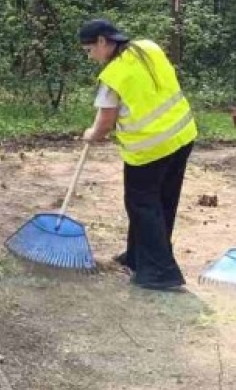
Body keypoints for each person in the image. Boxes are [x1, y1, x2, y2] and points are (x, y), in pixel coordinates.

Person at [78, 19, 197, 291]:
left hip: (149, 149)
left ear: (102, 42)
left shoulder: (113, 76)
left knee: (142, 206)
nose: (90, 57)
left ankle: (160, 272)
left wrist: (91, 134)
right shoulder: (148, 48)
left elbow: (104, 124)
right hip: (182, 136)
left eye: (89, 50)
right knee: (164, 202)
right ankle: (137, 257)